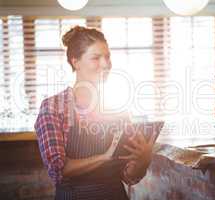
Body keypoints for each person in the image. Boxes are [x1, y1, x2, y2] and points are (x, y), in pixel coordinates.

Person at [34, 26, 154, 200]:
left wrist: (143, 161)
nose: (105, 64)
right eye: (96, 58)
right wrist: (104, 157)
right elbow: (58, 169)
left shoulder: (118, 108)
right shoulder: (53, 107)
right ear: (75, 62)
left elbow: (127, 176)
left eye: (107, 57)